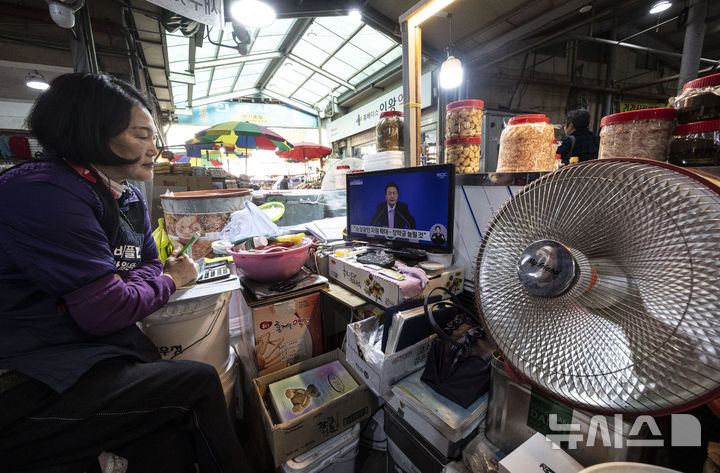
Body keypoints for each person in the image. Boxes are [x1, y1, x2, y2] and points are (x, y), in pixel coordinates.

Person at [0, 73, 249, 472]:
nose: (155, 149)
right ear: (92, 132)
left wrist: (131, 286)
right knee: (197, 385)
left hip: (91, 359)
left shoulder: (126, 193)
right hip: (31, 381)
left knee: (166, 437)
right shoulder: (43, 192)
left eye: (154, 137)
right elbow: (106, 311)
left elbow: (147, 262)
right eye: (141, 136)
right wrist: (169, 281)